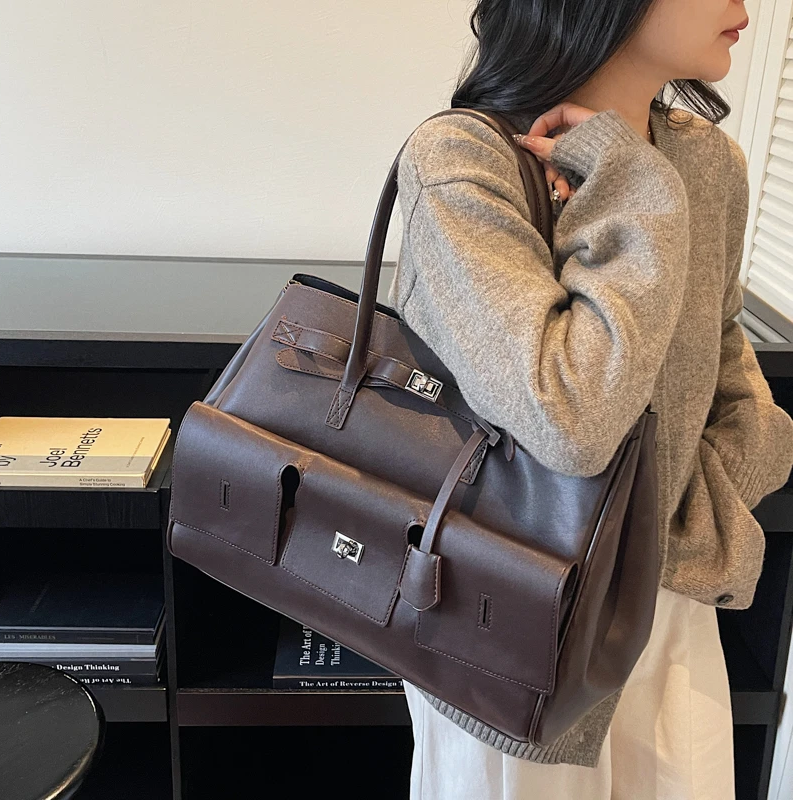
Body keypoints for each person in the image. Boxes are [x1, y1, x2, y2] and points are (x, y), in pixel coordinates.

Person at [387, 0, 793, 798]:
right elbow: (571, 418)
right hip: (508, 631)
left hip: (670, 606)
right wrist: (635, 186)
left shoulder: (708, 163)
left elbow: (733, 383)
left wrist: (680, 525)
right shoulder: (467, 160)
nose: (744, 9)